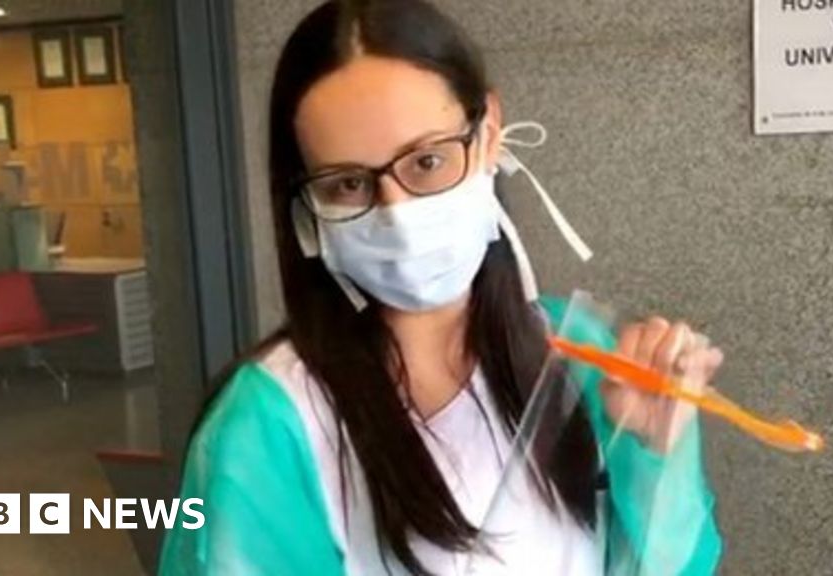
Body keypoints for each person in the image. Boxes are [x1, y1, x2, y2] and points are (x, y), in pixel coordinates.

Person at [159, 0, 723, 574]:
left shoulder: (584, 359)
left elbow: (674, 564)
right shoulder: (267, 426)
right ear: (305, 204)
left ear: (489, 134)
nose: (398, 213)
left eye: (427, 161)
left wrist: (657, 456)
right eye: (349, 183)